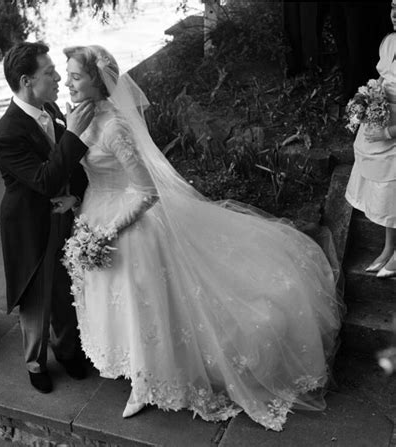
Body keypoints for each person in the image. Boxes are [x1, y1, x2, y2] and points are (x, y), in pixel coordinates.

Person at [60, 44, 343, 431]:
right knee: (114, 298)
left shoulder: (114, 127)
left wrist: (108, 232)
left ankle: (146, 383)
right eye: (67, 74)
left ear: (97, 80)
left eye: (75, 76)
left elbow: (147, 192)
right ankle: (125, 362)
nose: (67, 81)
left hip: (126, 223)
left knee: (138, 301)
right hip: (94, 209)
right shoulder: (78, 116)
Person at [0, 41, 94, 394]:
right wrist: (74, 134)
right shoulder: (7, 133)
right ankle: (35, 362)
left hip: (62, 214)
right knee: (37, 298)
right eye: (49, 73)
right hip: (29, 223)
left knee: (65, 286)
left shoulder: (50, 107)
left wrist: (77, 196)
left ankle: (67, 351)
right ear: (26, 81)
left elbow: (71, 167)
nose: (58, 78)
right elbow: (44, 179)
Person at [345, 1, 396, 278]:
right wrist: (364, 100)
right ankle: (389, 248)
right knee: (390, 196)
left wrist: (387, 132)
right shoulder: (389, 41)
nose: (395, 14)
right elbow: (382, 80)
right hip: (384, 117)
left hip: (394, 129)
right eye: (392, 7)